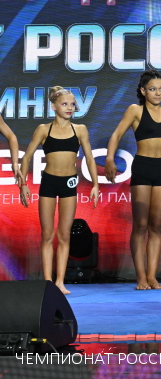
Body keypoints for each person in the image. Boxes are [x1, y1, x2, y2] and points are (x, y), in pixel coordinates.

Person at [20, 87, 100, 294]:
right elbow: (26, 157)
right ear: (54, 106)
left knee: (64, 234)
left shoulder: (80, 129)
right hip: (49, 182)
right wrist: (23, 184)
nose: (69, 108)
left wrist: (95, 184)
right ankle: (48, 281)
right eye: (65, 104)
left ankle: (60, 281)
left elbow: (90, 159)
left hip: (69, 184)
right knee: (47, 234)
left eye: (72, 104)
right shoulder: (43, 129)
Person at [104, 71, 161, 290]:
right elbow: (116, 135)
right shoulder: (135, 110)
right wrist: (109, 159)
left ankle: (152, 276)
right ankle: (141, 277)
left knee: (156, 225)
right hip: (143, 168)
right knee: (141, 224)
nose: (158, 93)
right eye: (152, 89)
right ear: (143, 91)